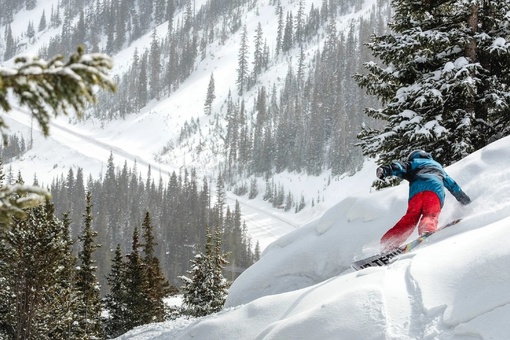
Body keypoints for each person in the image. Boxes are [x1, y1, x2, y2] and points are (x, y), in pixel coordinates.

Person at [376, 150, 471, 252]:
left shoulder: (413, 163)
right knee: (430, 214)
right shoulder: (438, 167)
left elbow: (399, 167)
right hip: (434, 192)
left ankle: (388, 243)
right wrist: (464, 200)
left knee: (410, 218)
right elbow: (453, 185)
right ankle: (427, 230)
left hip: (416, 193)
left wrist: (385, 170)